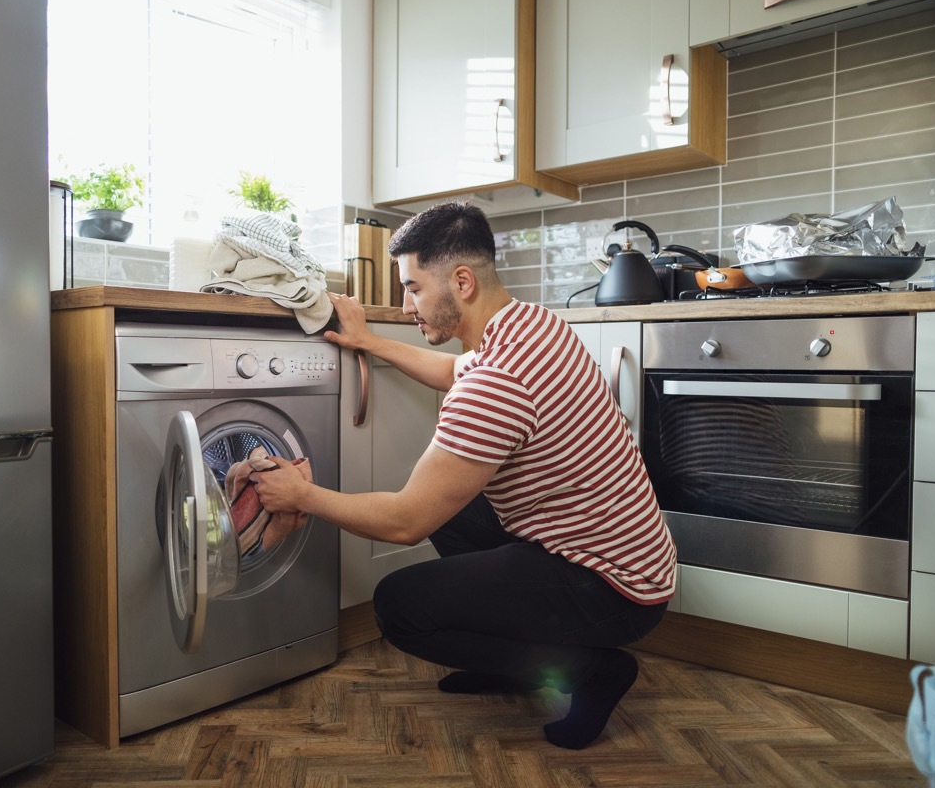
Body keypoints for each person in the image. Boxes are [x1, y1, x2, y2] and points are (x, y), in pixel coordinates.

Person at [250, 200, 676, 750]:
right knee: (452, 511)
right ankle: (522, 661)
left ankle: (589, 670)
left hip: (616, 591)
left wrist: (302, 495)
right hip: (625, 555)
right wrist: (369, 341)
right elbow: (454, 369)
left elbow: (404, 521)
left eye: (413, 288)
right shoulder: (531, 326)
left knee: (399, 607)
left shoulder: (499, 381)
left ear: (462, 281)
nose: (406, 307)